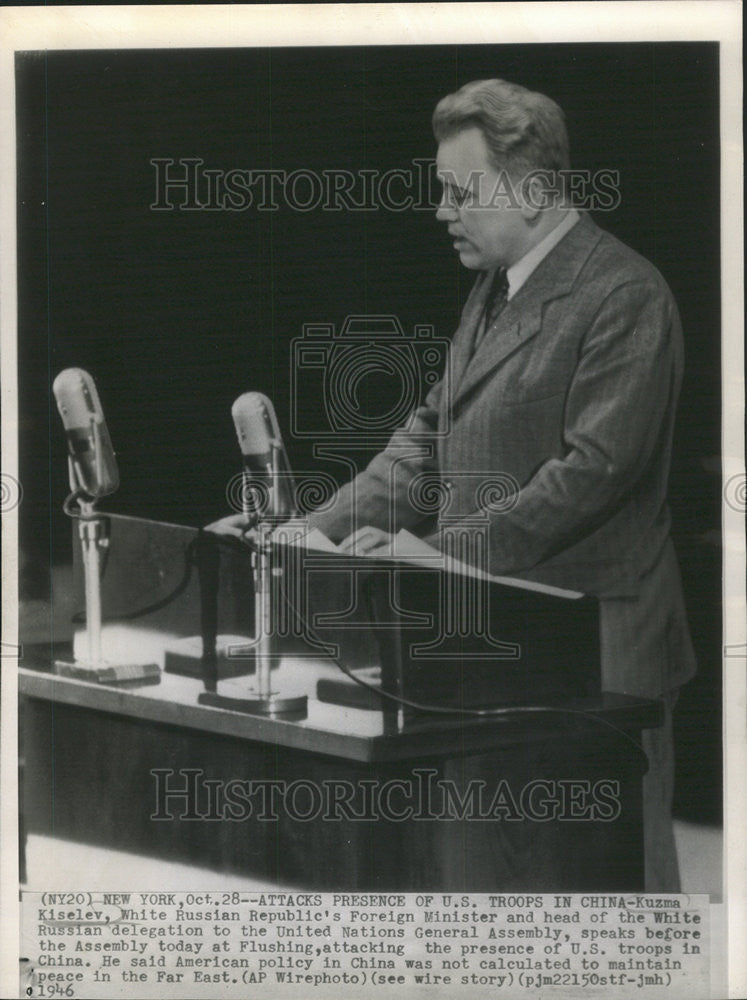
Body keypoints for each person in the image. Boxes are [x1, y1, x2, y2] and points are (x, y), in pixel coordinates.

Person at [213, 78, 696, 891]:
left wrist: (438, 555)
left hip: (603, 654)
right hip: (505, 645)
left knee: (619, 900)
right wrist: (310, 531)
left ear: (535, 191)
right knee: (514, 880)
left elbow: (588, 475)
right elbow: (423, 443)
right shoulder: (493, 289)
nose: (441, 211)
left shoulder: (626, 295)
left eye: (457, 192)